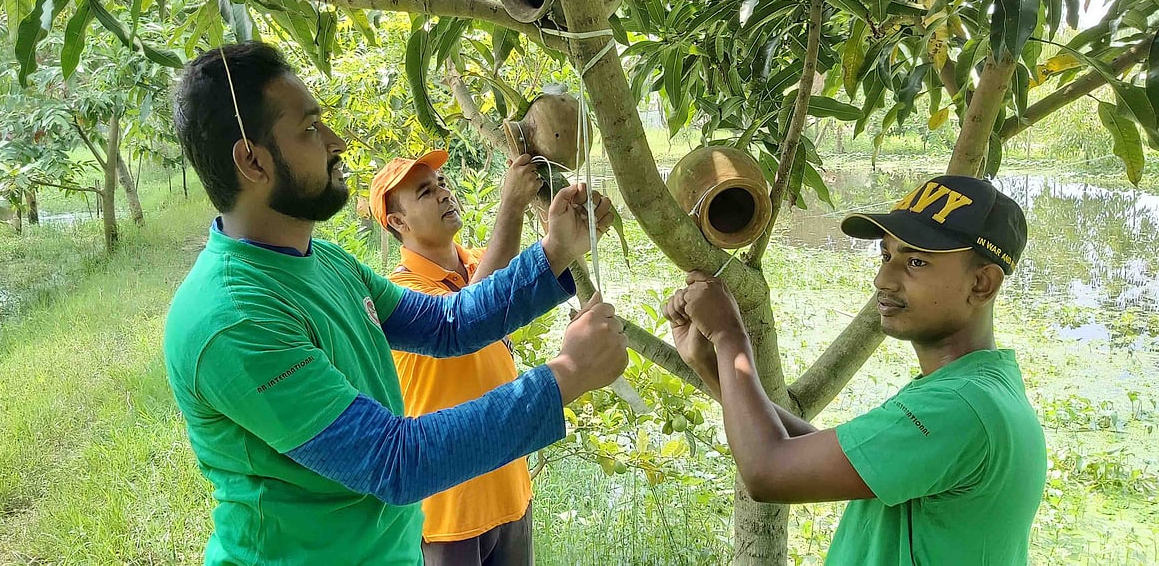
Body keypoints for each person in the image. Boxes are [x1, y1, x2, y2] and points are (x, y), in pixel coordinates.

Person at [164, 41, 627, 565]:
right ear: (252, 159)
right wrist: (565, 376)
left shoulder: (325, 261)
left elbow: (449, 323)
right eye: (311, 129)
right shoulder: (235, 317)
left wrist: (556, 249)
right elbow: (394, 461)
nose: (336, 142)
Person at [664, 175, 1046, 564]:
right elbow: (830, 454)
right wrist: (709, 363)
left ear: (982, 283)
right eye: (886, 256)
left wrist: (730, 336)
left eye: (916, 261)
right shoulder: (977, 388)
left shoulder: (957, 407)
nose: (884, 279)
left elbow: (768, 471)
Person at [370, 149, 544, 565]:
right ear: (398, 223)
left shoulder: (475, 264)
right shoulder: (401, 295)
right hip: (449, 512)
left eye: (442, 184)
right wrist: (512, 205)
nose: (444, 194)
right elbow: (465, 318)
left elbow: (512, 278)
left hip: (510, 492)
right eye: (425, 192)